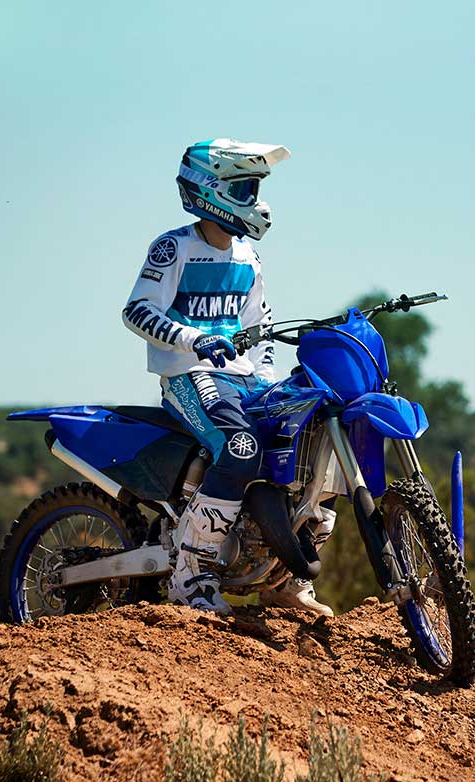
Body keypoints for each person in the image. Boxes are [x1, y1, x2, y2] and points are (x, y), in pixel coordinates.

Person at [121, 138, 334, 616]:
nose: (255, 202)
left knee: (310, 444)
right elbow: (137, 310)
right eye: (244, 190)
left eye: (254, 190)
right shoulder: (174, 247)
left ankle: (283, 579)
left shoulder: (247, 257)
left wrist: (267, 377)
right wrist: (193, 339)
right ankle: (189, 576)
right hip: (190, 374)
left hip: (244, 379)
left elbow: (260, 325)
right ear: (209, 189)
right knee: (240, 450)